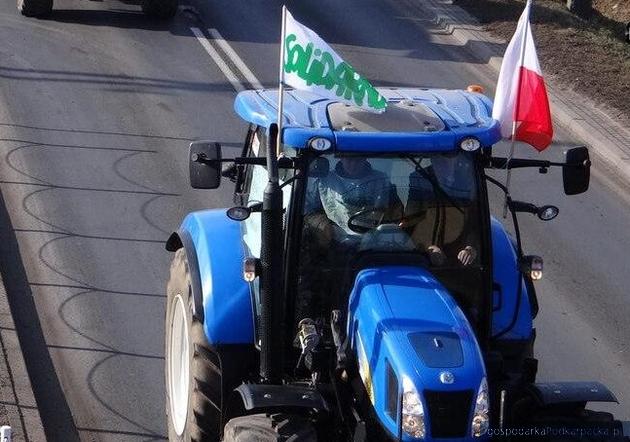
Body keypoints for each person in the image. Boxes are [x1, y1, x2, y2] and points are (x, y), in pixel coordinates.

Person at [405, 154, 478, 267]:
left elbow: (476, 222)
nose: (445, 160)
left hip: (458, 261)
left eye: (449, 156)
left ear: (457, 157)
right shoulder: (419, 178)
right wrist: (428, 247)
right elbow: (410, 222)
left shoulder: (469, 179)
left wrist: (470, 247)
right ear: (433, 158)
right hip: (427, 257)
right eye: (440, 157)